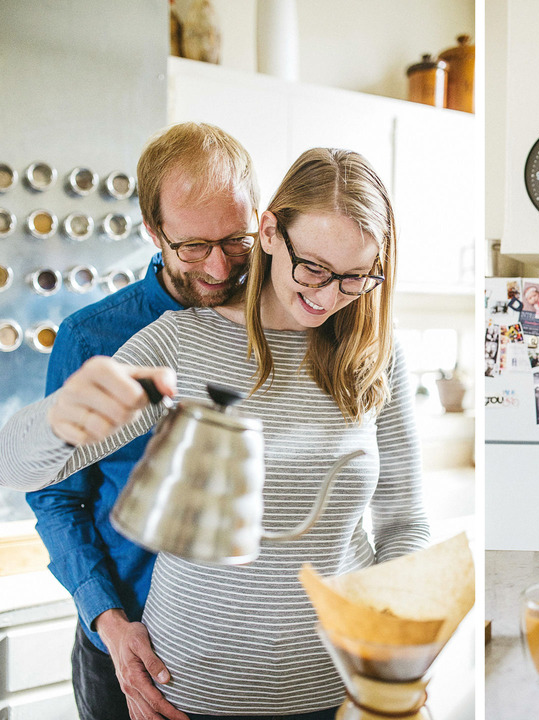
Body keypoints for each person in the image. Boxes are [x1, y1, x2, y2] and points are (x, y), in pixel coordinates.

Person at [1, 147, 430, 719]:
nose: (328, 297)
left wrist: (395, 646)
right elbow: (19, 470)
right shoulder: (178, 340)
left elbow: (405, 523)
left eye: (355, 278)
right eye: (315, 270)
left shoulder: (376, 354)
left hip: (335, 689)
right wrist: (57, 418)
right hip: (187, 690)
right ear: (272, 232)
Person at [24, 121, 259, 720]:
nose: (217, 266)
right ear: (154, 230)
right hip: (128, 644)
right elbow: (55, 497)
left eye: (236, 239)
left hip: (245, 647)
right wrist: (109, 619)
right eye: (192, 246)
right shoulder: (92, 338)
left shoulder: (281, 322)